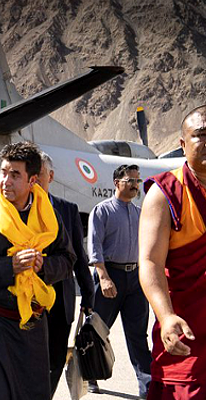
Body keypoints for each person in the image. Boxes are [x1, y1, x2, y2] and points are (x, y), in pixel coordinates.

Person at [0, 142, 74, 400]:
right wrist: (9, 266)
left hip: (31, 325)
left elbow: (67, 259)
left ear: (33, 180)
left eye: (15, 175)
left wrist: (44, 266)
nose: (5, 181)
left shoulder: (49, 217)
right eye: (3, 172)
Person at [139, 105, 206, 399]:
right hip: (187, 328)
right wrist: (165, 316)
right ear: (182, 144)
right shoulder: (166, 192)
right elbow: (150, 262)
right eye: (201, 135)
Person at [87, 164, 152, 397]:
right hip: (109, 275)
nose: (135, 184)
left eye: (137, 180)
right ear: (117, 182)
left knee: (138, 334)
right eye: (130, 180)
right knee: (97, 330)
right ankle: (88, 375)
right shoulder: (102, 211)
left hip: (135, 279)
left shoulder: (139, 213)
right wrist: (103, 277)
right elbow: (94, 247)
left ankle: (147, 385)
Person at [36, 153, 95, 395]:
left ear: (50, 176)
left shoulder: (67, 210)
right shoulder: (16, 210)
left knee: (56, 358)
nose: (33, 179)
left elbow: (79, 257)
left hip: (61, 299)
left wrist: (89, 297)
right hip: (28, 299)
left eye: (38, 173)